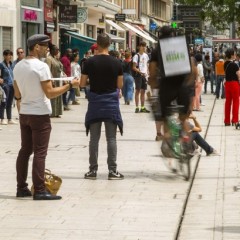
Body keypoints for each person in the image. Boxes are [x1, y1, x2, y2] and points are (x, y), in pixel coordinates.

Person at [13, 34, 80, 200]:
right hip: (40, 114)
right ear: (36, 47)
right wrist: (70, 85)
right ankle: (41, 190)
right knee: (40, 153)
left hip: (25, 113)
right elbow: (49, 93)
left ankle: (21, 188)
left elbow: (17, 93)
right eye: (44, 46)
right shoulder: (41, 67)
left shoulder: (18, 66)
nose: (47, 49)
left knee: (25, 151)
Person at [80, 33, 124, 180]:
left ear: (97, 44)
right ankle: (112, 171)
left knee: (94, 139)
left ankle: (92, 170)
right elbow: (119, 85)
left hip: (95, 104)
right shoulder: (117, 62)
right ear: (109, 44)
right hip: (111, 103)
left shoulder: (89, 62)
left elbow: (82, 83)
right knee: (111, 138)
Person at [45, 44, 63, 117]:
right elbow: (48, 70)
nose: (57, 51)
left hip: (58, 79)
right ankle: (52, 112)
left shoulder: (55, 58)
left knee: (58, 95)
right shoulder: (49, 59)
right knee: (53, 96)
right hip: (53, 79)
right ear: (52, 50)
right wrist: (51, 80)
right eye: (56, 49)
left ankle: (57, 112)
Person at [132, 41, 150, 113]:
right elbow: (133, 67)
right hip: (139, 75)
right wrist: (140, 72)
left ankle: (142, 107)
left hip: (144, 76)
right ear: (139, 47)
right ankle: (137, 107)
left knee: (143, 91)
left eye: (145, 46)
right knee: (138, 91)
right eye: (142, 46)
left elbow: (147, 65)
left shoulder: (146, 55)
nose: (144, 47)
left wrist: (148, 72)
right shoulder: (136, 56)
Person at [223, 48, 240, 126]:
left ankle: (227, 121)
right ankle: (235, 119)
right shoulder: (234, 64)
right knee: (236, 102)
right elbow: (238, 74)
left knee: (228, 102)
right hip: (234, 84)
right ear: (232, 55)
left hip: (227, 84)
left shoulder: (225, 64)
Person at [0, 49, 17, 125]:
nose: (9, 56)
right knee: (4, 102)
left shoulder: (12, 64)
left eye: (10, 55)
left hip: (12, 85)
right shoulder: (1, 64)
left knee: (10, 102)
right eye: (7, 55)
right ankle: (2, 119)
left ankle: (9, 119)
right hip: (5, 85)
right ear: (4, 56)